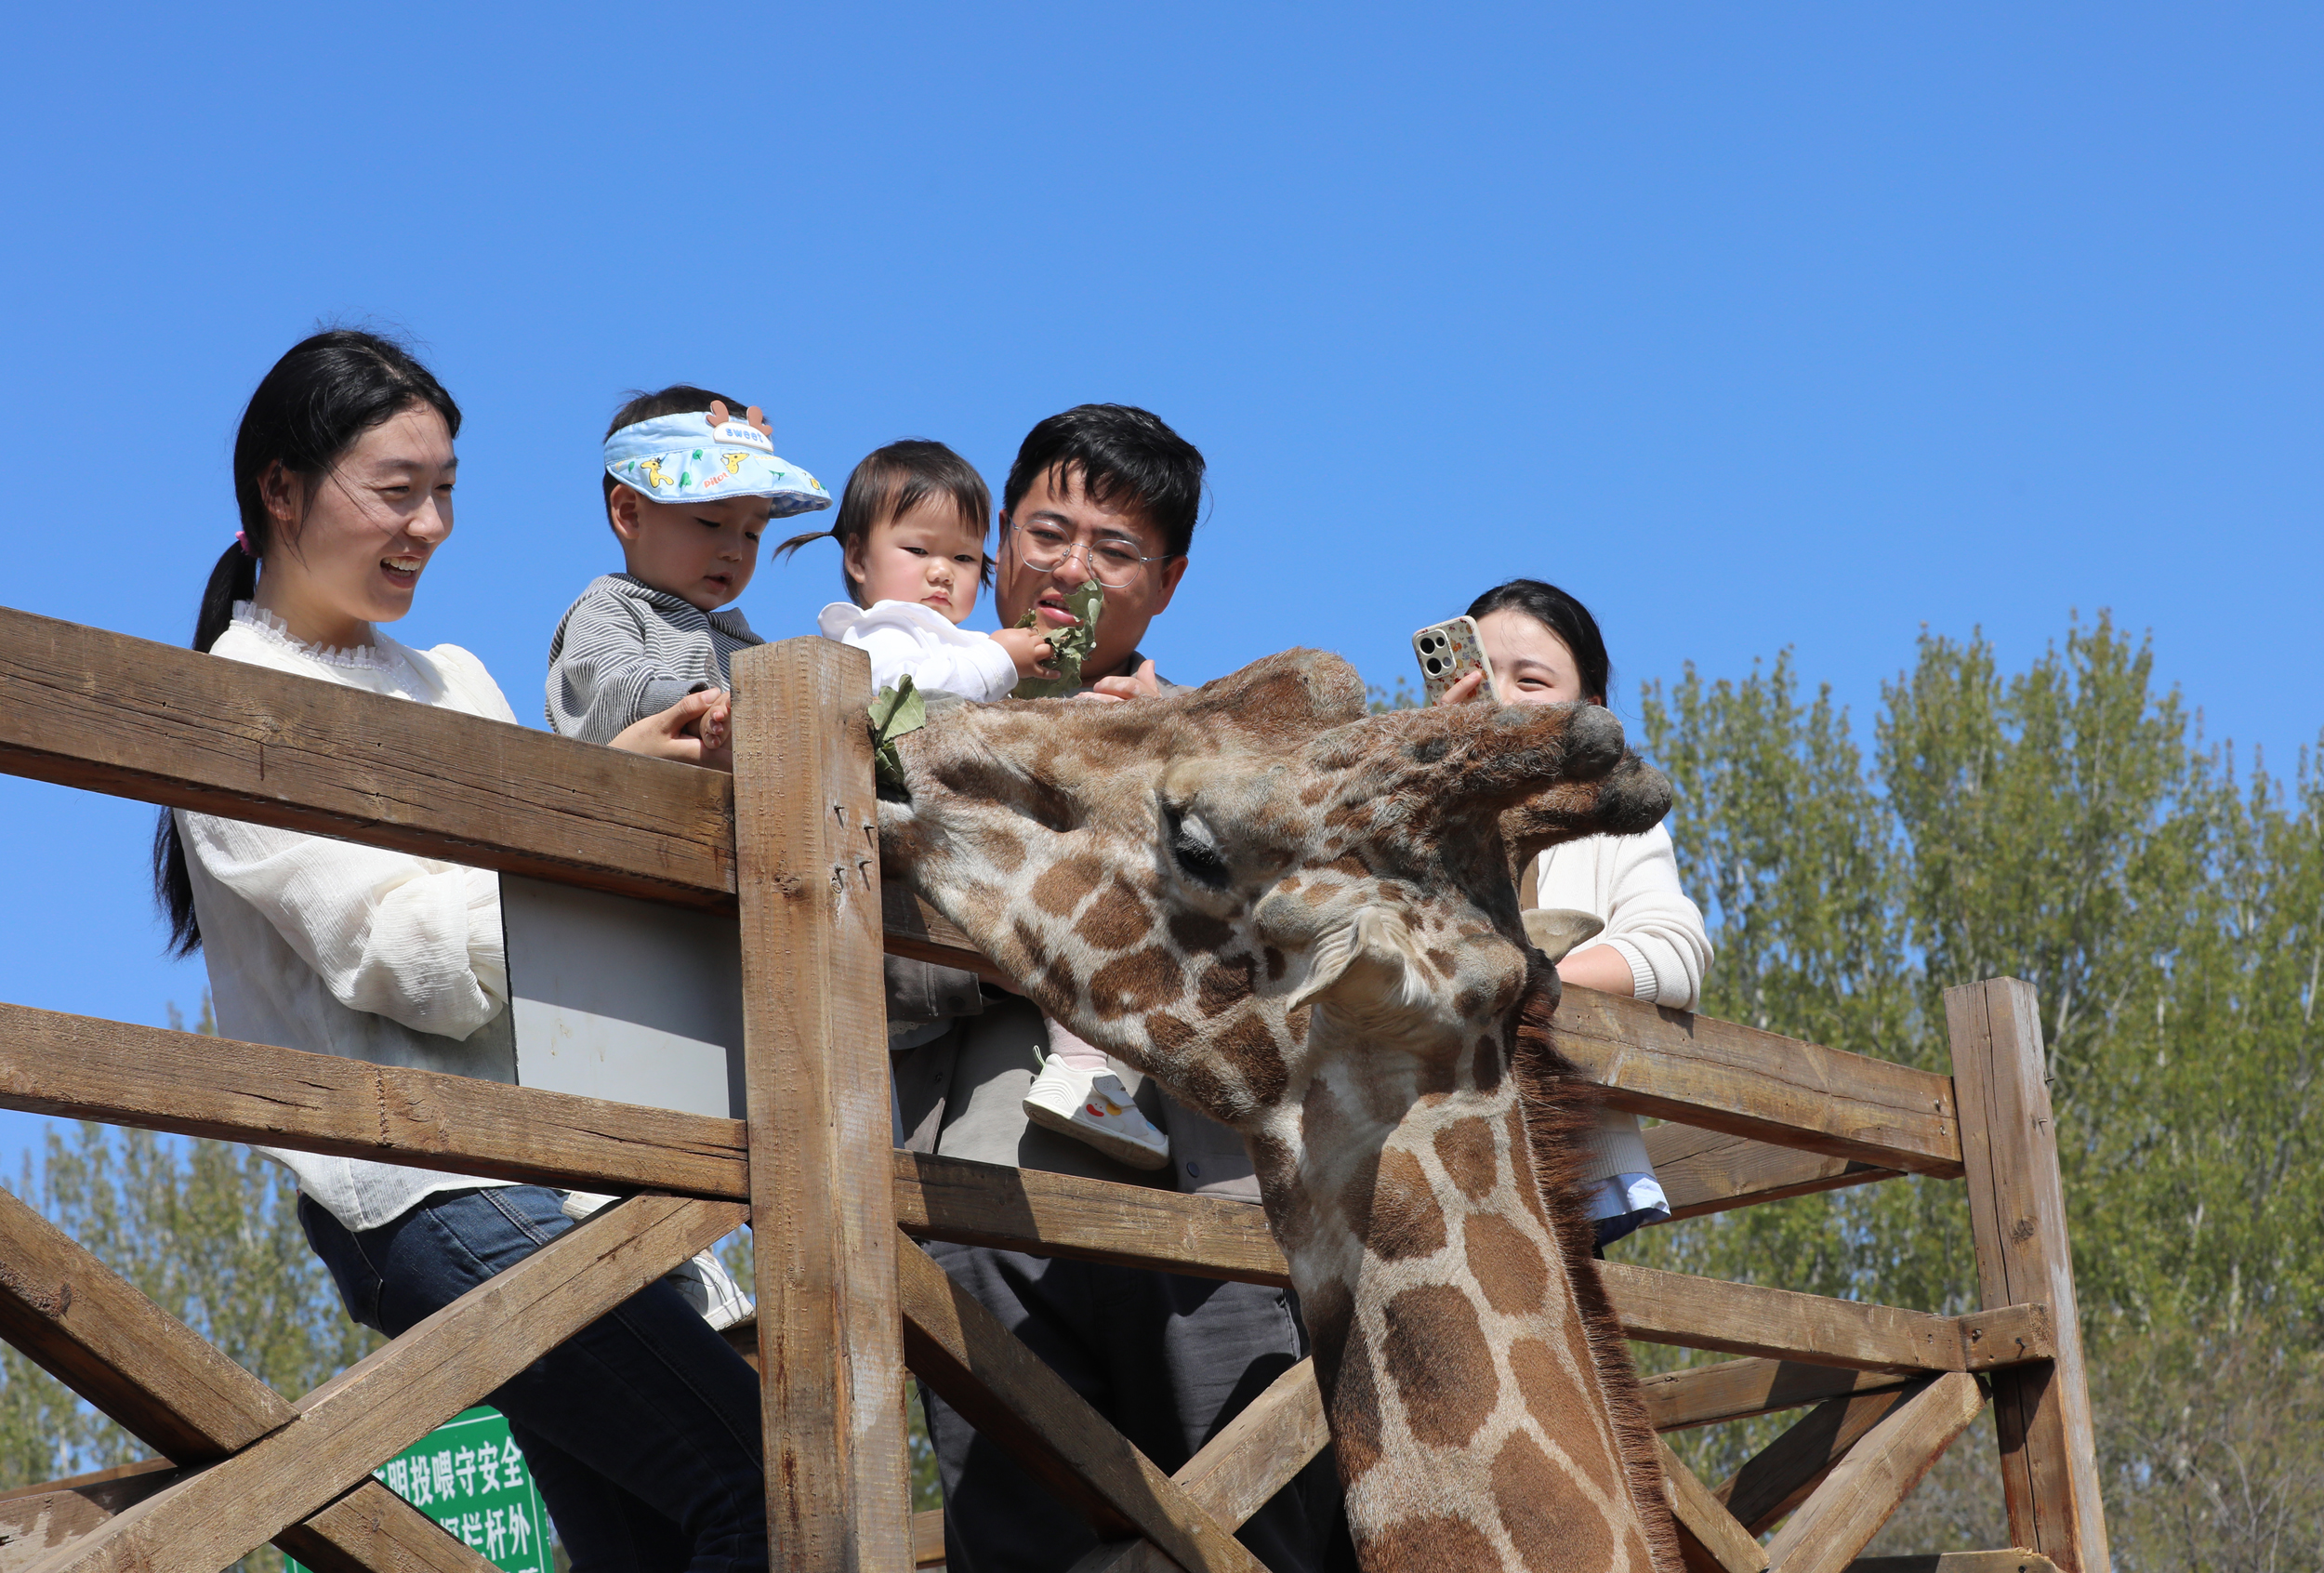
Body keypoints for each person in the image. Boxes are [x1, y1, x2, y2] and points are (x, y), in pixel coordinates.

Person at [153, 331, 769, 1569]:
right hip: (419, 1186)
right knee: (762, 1475)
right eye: (397, 490)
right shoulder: (227, 700)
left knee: (663, 1538)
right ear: (280, 489)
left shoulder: (453, 678)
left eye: (444, 490)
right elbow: (402, 959)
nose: (430, 525)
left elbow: (554, 931)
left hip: (561, 1171)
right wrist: (595, 806)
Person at [893, 406, 1348, 1573]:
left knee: (1256, 1540)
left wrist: (1154, 786)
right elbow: (869, 960)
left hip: (1212, 1208)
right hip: (986, 1202)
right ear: (1001, 539)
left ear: (1169, 580)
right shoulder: (905, 718)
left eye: (1115, 548)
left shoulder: (1235, 752)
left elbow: (1296, 961)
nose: (1071, 570)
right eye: (1049, 533)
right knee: (1022, 1549)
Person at [782, 440, 1170, 1169]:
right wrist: (1002, 659)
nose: (941, 571)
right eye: (918, 550)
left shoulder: (958, 646)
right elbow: (901, 693)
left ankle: (1079, 1072)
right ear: (857, 558)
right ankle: (1081, 1074)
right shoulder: (878, 636)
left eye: (963, 558)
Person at [1435, 577, 1713, 1247]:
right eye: (1482, 674)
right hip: (1423, 1161)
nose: (1502, 697)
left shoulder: (1614, 826)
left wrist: (1527, 984)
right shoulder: (1416, 820)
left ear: (1591, 710)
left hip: (1557, 1174)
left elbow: (1674, 951)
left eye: (1531, 680)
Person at [545, 386, 833, 760]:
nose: (735, 551)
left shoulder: (746, 645)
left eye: (752, 534)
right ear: (631, 514)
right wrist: (696, 711)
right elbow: (614, 692)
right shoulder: (608, 611)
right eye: (710, 522)